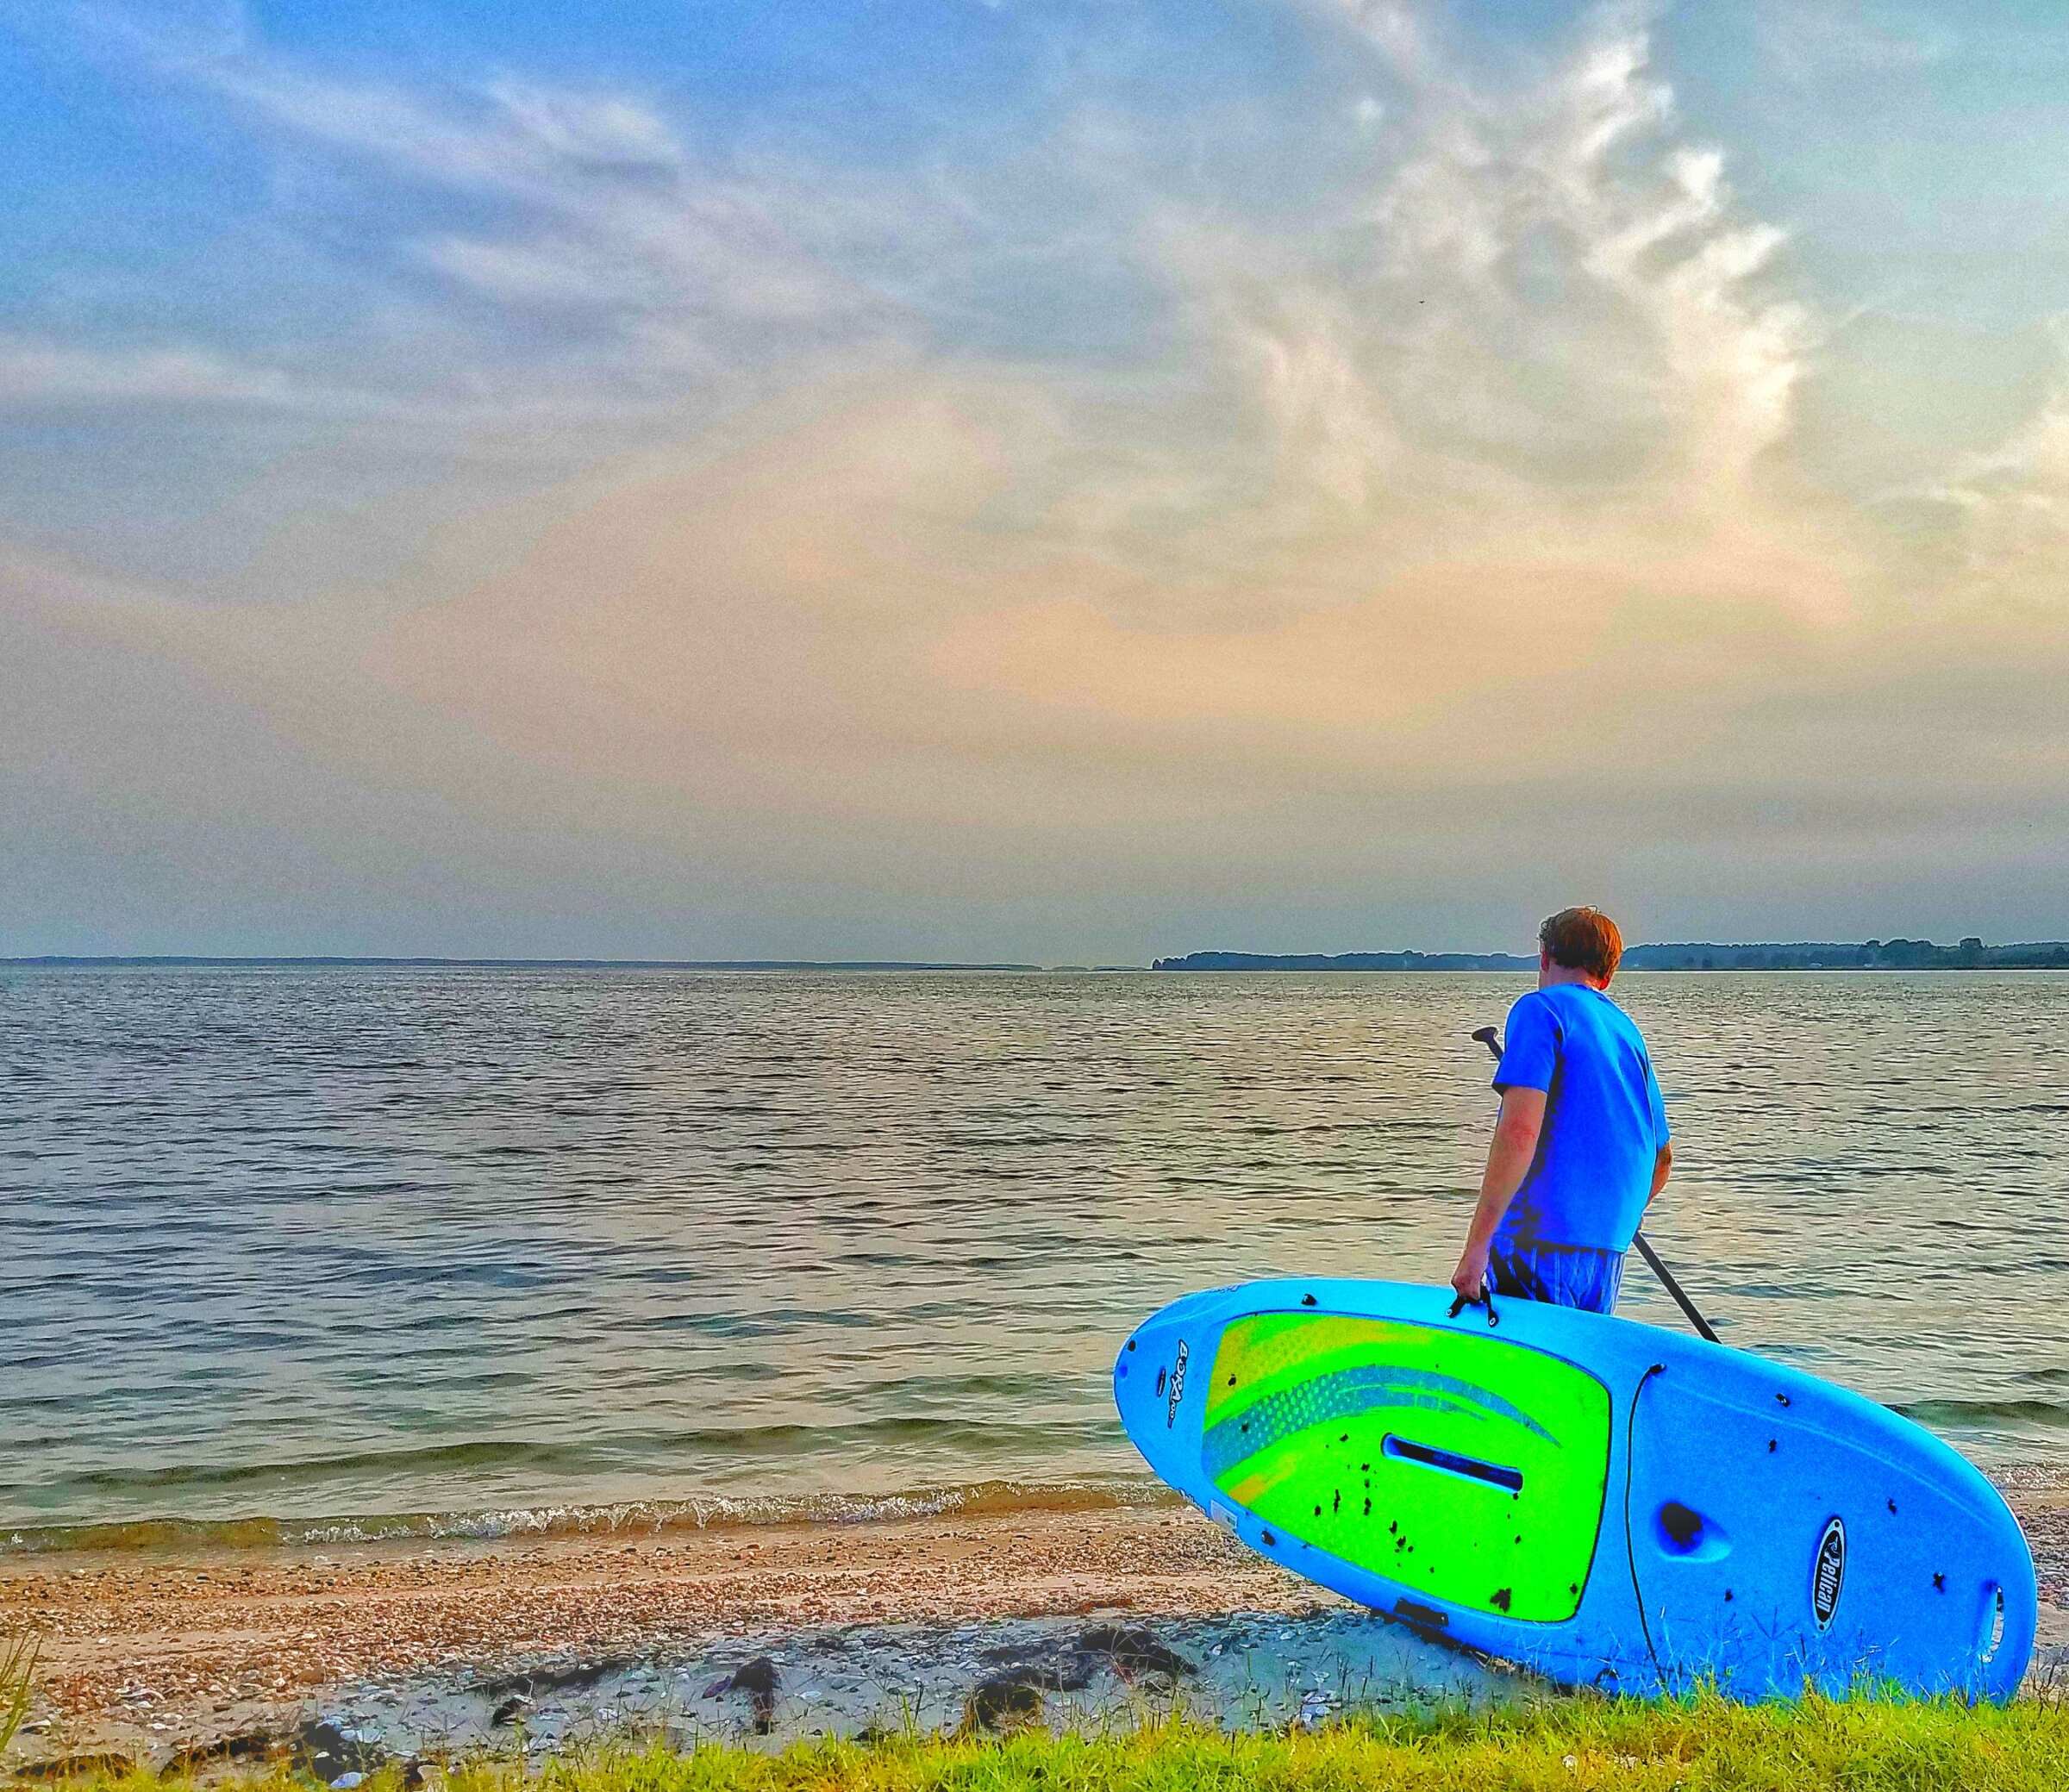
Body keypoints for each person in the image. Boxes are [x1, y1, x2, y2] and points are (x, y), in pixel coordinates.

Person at [1449, 906, 1671, 1315]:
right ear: (1607, 975)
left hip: (1536, 1239)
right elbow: (1661, 1157)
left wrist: (1475, 1250)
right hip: (1607, 1247)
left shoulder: (1540, 1009)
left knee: (1527, 1374)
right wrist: (1628, 1215)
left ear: (1545, 957)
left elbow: (1519, 1132)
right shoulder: (1627, 1032)